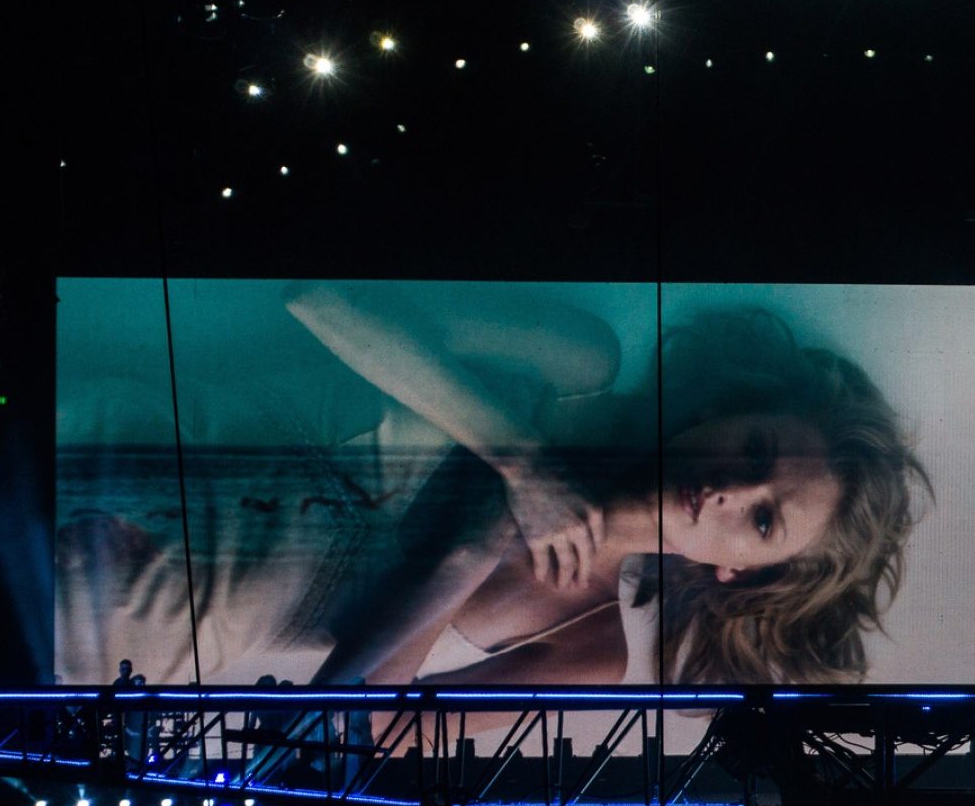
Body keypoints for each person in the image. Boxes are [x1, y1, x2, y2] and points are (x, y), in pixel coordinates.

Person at [59, 284, 929, 691]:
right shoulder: (578, 364)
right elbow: (324, 302)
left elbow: (352, 729)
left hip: (108, 631)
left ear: (741, 574)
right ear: (732, 410)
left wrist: (476, 547)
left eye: (765, 519)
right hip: (76, 441)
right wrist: (519, 463)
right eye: (756, 450)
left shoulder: (589, 653)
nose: (730, 491)